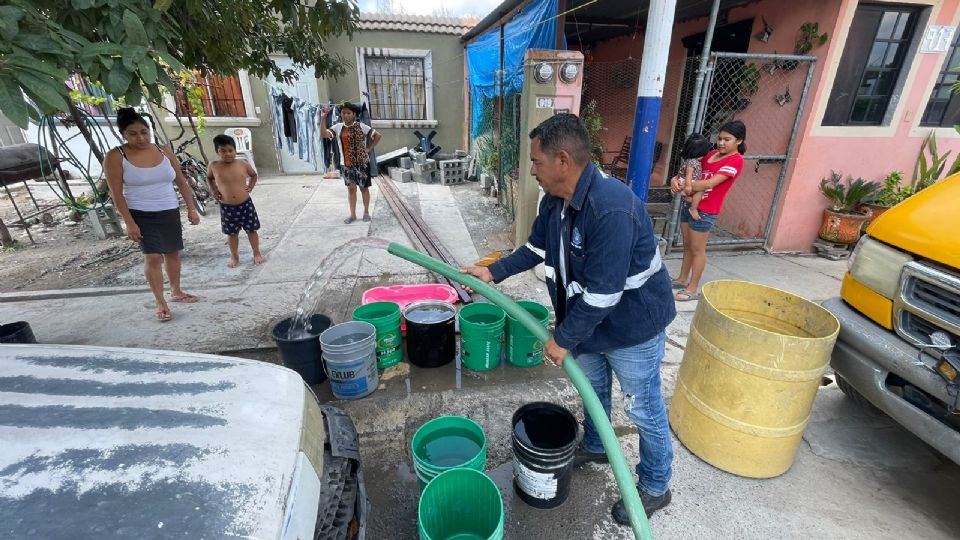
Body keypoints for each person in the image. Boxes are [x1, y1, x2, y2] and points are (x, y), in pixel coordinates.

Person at [461, 114, 677, 524]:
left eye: (536, 161)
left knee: (643, 410)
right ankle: (595, 444)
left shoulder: (611, 209)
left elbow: (603, 295)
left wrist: (562, 340)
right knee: (592, 392)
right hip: (588, 325)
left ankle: (654, 486)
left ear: (562, 160)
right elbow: (536, 250)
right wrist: (494, 271)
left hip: (632, 329)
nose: (531, 169)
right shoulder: (554, 203)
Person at [104, 108, 201, 322]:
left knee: (173, 252)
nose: (140, 137)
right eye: (133, 133)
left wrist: (191, 208)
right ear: (123, 135)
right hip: (140, 212)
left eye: (144, 132)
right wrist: (129, 223)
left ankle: (176, 291)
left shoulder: (163, 150)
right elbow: (116, 194)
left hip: (168, 208)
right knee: (153, 255)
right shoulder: (116, 156)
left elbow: (181, 181)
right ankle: (160, 301)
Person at [670, 121, 747, 302]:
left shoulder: (736, 160)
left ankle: (693, 287)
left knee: (698, 249)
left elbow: (710, 183)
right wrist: (675, 179)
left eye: (727, 140)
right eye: (719, 139)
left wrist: (682, 186)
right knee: (688, 246)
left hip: (705, 210)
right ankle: (682, 279)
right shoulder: (711, 155)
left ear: (739, 141)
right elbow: (690, 169)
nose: (721, 143)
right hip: (688, 205)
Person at [207, 134, 266, 268]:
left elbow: (254, 175)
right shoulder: (214, 166)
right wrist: (213, 190)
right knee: (232, 233)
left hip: (245, 204)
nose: (228, 154)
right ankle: (234, 256)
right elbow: (209, 178)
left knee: (252, 230)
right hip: (227, 207)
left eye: (230, 150)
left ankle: (256, 253)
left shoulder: (242, 164)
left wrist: (250, 186)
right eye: (223, 151)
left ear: (235, 150)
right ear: (217, 151)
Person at [319, 102, 381, 223]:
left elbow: (377, 135)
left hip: (362, 164)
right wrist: (323, 118)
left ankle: (366, 212)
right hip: (346, 164)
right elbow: (323, 134)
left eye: (348, 113)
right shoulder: (337, 127)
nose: (346, 115)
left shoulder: (361, 126)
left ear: (354, 114)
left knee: (364, 188)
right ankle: (352, 215)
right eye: (343, 113)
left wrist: (369, 148)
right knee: (351, 189)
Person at [675, 133, 714, 221]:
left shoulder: (690, 160)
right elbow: (689, 174)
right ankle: (693, 209)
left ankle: (689, 206)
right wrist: (688, 186)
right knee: (701, 189)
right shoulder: (693, 162)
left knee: (695, 193)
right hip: (687, 183)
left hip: (684, 183)